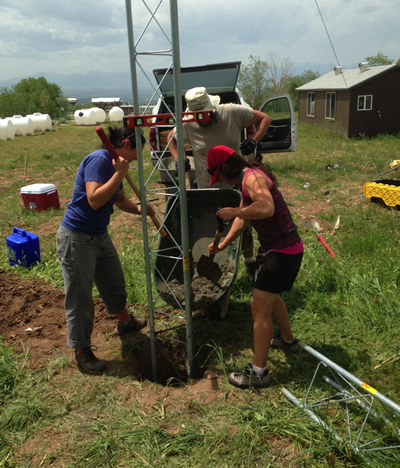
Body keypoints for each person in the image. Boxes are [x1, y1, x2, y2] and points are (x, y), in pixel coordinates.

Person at [56, 126, 153, 375]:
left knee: (113, 281)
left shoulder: (115, 164)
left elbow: (118, 200)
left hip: (98, 234)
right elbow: (95, 199)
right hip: (77, 237)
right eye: (138, 149)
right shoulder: (100, 160)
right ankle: (82, 350)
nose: (137, 157)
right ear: (129, 143)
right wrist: (119, 174)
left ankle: (125, 323)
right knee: (80, 296)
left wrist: (142, 210)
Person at [206, 145, 304, 389]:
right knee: (271, 297)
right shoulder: (247, 178)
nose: (219, 181)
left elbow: (266, 207)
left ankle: (259, 373)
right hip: (284, 249)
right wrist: (223, 244)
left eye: (218, 175)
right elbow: (243, 219)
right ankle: (287, 341)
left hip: (282, 252)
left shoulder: (253, 177)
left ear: (227, 167)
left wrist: (234, 209)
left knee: (258, 307)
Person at [167, 86, 272, 281]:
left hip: (235, 184)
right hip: (208, 188)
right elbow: (171, 139)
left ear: (212, 109)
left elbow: (265, 118)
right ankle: (218, 264)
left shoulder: (231, 112)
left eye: (206, 115)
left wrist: (254, 140)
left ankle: (250, 265)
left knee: (244, 227)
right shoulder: (187, 123)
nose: (203, 120)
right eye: (198, 116)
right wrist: (178, 158)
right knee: (210, 228)